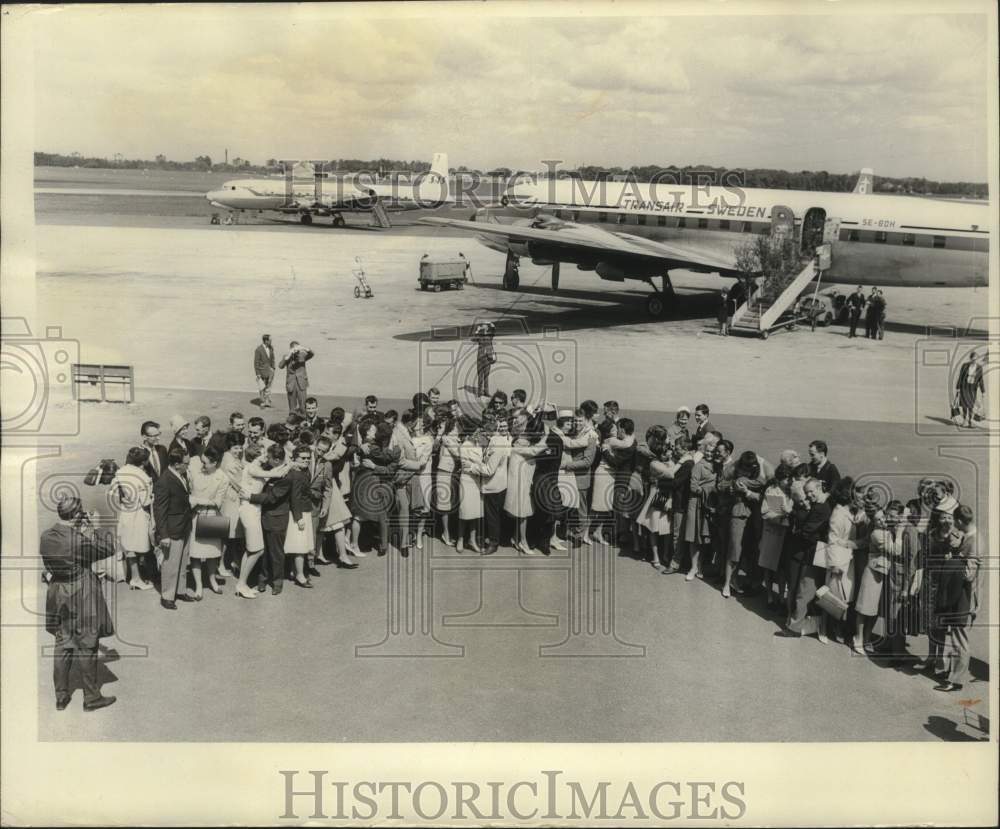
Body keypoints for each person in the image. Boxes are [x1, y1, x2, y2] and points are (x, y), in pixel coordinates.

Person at [40, 496, 118, 711]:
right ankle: (91, 698)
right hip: (81, 592)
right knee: (87, 643)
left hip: (58, 593)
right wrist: (97, 527)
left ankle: (61, 696)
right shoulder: (77, 540)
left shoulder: (46, 536)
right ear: (76, 515)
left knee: (63, 643)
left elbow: (55, 560)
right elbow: (107, 549)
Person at [775, 478, 831, 639]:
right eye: (807, 493)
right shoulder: (822, 505)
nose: (809, 495)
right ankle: (808, 625)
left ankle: (795, 628)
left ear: (819, 487)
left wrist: (797, 531)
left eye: (812, 491)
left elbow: (807, 531)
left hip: (814, 554)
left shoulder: (820, 508)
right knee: (807, 591)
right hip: (816, 553)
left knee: (804, 592)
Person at [934, 505, 980, 691]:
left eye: (956, 522)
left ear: (960, 521)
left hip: (965, 596)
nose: (955, 526)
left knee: (960, 637)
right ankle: (953, 675)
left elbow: (969, 573)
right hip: (959, 593)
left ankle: (956, 681)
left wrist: (954, 559)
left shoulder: (974, 541)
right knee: (955, 634)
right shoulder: (969, 536)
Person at [234, 444, 289, 598]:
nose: (266, 456)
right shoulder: (252, 468)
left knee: (252, 549)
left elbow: (273, 472)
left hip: (254, 510)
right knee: (257, 550)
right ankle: (241, 584)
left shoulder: (259, 469)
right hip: (249, 510)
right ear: (255, 456)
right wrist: (289, 465)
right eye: (263, 454)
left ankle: (241, 583)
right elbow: (276, 474)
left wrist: (289, 464)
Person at [152, 447, 196, 609]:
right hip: (172, 529)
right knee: (170, 563)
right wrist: (164, 535)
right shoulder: (164, 481)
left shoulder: (180, 474)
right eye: (186, 463)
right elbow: (159, 510)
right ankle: (167, 596)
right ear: (177, 464)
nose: (188, 466)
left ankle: (180, 590)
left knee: (183, 561)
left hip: (184, 525)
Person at [110, 446, 155, 591]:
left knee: (129, 546)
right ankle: (136, 578)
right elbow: (146, 501)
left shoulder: (119, 473)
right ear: (143, 462)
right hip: (139, 514)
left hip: (126, 512)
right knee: (140, 546)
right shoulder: (143, 477)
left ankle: (135, 576)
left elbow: (113, 494)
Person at [186, 446, 229, 598]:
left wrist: (197, 500)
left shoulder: (222, 478)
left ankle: (212, 581)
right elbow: (189, 489)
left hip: (211, 517)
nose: (202, 465)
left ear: (215, 463)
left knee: (212, 553)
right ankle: (198, 586)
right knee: (196, 554)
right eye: (202, 462)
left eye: (205, 463)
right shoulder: (196, 473)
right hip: (196, 516)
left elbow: (218, 502)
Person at [759, 462, 794, 608]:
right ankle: (769, 596)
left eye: (790, 479)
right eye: (786, 479)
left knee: (781, 568)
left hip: (785, 534)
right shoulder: (771, 491)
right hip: (772, 533)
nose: (789, 482)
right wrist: (780, 517)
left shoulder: (792, 492)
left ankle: (780, 597)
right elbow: (764, 512)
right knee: (768, 566)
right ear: (779, 479)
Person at [284, 444, 316, 587]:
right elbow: (295, 498)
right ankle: (300, 575)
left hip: (304, 511)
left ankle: (293, 571)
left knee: (299, 544)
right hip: (299, 513)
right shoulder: (297, 474)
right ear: (295, 458)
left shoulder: (303, 471)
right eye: (302, 458)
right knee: (299, 546)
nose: (306, 460)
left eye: (308, 458)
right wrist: (299, 518)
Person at [457, 417, 485, 553]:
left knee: (475, 512)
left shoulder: (479, 446)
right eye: (476, 432)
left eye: (480, 432)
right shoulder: (464, 446)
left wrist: (474, 465)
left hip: (477, 482)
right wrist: (478, 466)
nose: (478, 434)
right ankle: (460, 539)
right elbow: (465, 466)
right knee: (465, 512)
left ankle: (472, 540)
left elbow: (476, 464)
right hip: (467, 481)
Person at [280, 340, 314, 414]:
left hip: (301, 383)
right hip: (291, 384)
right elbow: (280, 366)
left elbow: (311, 354)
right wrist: (288, 356)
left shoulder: (302, 355)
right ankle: (292, 422)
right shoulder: (287, 356)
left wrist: (305, 348)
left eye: (297, 349)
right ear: (291, 349)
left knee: (303, 406)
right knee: (292, 408)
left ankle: (304, 421)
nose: (296, 351)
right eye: (294, 349)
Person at [955, 350, 985, 428]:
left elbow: (980, 380)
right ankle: (964, 420)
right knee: (964, 405)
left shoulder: (979, 368)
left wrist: (983, 391)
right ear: (970, 359)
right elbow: (960, 377)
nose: (974, 361)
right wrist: (958, 388)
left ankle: (970, 422)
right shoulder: (964, 366)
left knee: (971, 405)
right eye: (973, 359)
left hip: (972, 388)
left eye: (976, 359)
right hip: (964, 387)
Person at [473, 322, 496, 398]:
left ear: (487, 327)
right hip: (480, 358)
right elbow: (473, 339)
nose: (482, 326)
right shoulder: (480, 336)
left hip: (487, 358)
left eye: (484, 326)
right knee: (480, 375)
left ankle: (486, 392)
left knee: (486, 376)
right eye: (482, 325)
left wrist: (491, 325)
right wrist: (477, 330)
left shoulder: (490, 335)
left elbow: (494, 331)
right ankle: (479, 392)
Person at [254, 334, 276, 408]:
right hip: (262, 371)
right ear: (266, 341)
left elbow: (273, 358)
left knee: (268, 387)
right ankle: (262, 402)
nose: (271, 341)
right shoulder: (258, 349)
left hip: (270, 371)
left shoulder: (271, 348)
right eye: (270, 340)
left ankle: (267, 401)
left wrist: (273, 368)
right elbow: (256, 362)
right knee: (262, 387)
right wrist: (257, 373)